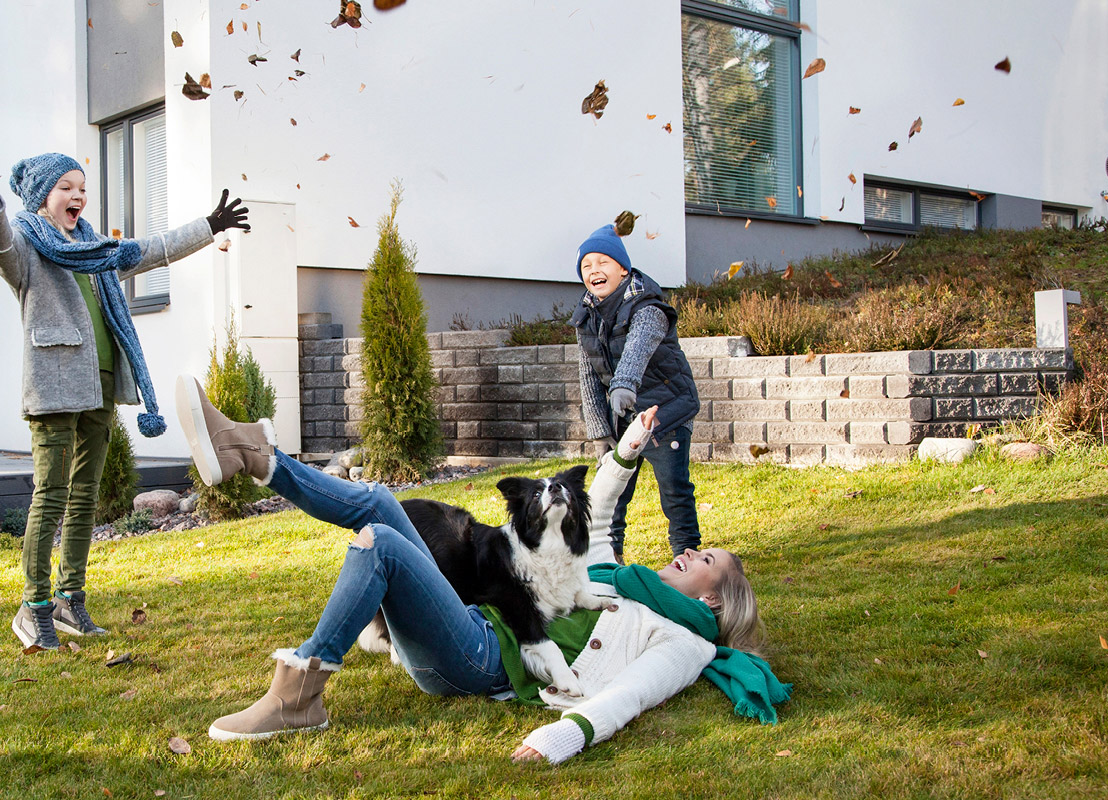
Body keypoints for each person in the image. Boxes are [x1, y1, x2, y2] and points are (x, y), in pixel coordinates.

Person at [175, 376, 788, 764]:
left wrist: (563, 737)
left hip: (484, 658)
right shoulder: (620, 583)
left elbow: (632, 695)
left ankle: (297, 696)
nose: (688, 553)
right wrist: (626, 453)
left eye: (704, 561)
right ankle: (255, 455)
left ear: (713, 602)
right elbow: (591, 518)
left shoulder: (682, 639)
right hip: (472, 621)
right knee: (385, 503)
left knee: (381, 543)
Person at [0, 151, 250, 650]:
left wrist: (209, 225)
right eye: (66, 187)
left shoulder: (94, 247)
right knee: (50, 496)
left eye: (82, 187)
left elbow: (150, 249)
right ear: (43, 195)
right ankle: (34, 606)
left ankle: (71, 598)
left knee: (84, 497)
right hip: (55, 387)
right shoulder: (28, 242)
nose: (78, 196)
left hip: (100, 384)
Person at [571, 220, 702, 563]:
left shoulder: (648, 308)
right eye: (586, 266)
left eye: (602, 262)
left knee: (674, 492)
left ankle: (688, 557)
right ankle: (608, 559)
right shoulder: (586, 318)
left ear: (623, 268)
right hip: (623, 416)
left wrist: (624, 385)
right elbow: (587, 375)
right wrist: (601, 432)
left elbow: (637, 350)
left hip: (665, 411)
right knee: (612, 494)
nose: (593, 271)